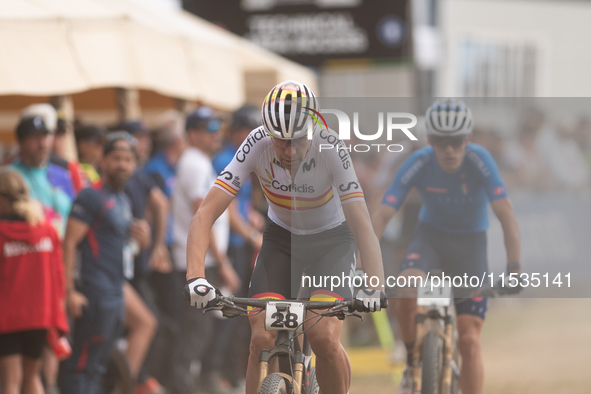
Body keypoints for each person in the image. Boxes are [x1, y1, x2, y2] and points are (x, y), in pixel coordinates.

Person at [183, 80, 387, 394]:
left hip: (331, 241)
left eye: (298, 140)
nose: (289, 150)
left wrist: (374, 285)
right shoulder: (256, 143)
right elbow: (205, 214)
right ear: (268, 132)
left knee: (323, 337)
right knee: (262, 336)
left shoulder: (331, 147)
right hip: (281, 240)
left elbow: (362, 225)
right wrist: (195, 277)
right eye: (281, 142)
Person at [371, 99, 521, 394]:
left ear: (468, 139)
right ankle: (412, 358)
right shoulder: (420, 160)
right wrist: (363, 264)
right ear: (430, 140)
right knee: (406, 288)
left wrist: (514, 267)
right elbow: (384, 212)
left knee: (469, 340)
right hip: (430, 239)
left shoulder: (480, 159)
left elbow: (506, 212)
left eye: (456, 141)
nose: (449, 149)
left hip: (470, 246)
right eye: (441, 142)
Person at [59, 132, 151, 394]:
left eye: (128, 159)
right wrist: (69, 292)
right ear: (102, 161)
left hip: (115, 292)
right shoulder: (91, 197)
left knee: (98, 366)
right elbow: (69, 243)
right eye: (116, 158)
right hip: (94, 293)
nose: (122, 164)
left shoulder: (122, 199)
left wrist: (141, 241)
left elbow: (121, 248)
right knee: (82, 366)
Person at [171, 106, 238, 394]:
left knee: (206, 327)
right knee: (195, 330)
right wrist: (223, 263)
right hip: (201, 262)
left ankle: (197, 382)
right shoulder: (194, 164)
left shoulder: (200, 162)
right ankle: (184, 386)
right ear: (192, 134)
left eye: (218, 128)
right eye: (210, 129)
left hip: (205, 259)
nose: (217, 135)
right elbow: (203, 217)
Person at [206, 105, 265, 391]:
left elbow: (243, 203)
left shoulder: (248, 154)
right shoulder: (224, 158)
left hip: (241, 243)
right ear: (239, 131)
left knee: (243, 312)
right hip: (230, 245)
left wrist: (253, 215)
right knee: (229, 311)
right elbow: (225, 209)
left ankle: (233, 371)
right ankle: (216, 372)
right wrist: (253, 234)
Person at [0, 168, 69, 394]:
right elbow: (58, 275)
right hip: (40, 317)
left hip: (7, 317)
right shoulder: (47, 230)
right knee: (31, 377)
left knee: (11, 381)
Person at [10, 115, 75, 237]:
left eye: (45, 136)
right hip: (29, 250)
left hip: (61, 250)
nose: (42, 144)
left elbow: (74, 217)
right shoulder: (10, 177)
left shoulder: (62, 175)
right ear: (20, 142)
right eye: (35, 138)